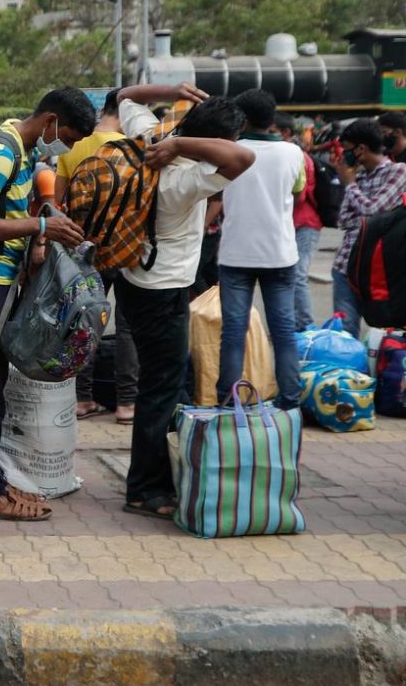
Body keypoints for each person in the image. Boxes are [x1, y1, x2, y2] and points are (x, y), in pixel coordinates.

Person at [111, 85, 253, 520]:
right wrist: (180, 144)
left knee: (163, 381)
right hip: (163, 290)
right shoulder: (185, 177)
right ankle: (146, 489)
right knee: (161, 388)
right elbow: (243, 159)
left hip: (133, 277)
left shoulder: (149, 138)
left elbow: (126, 98)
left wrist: (170, 93)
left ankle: (153, 476)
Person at [0, 88, 94, 522]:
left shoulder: (23, 150)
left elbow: (11, 211)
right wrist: (41, 224)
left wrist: (40, 221)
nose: (66, 147)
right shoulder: (1, 151)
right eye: (66, 137)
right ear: (50, 120)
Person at [217, 89, 306, 410]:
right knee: (283, 330)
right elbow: (297, 192)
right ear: (272, 118)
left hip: (235, 253)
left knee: (233, 333)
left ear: (241, 118)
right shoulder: (293, 153)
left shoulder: (228, 151)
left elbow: (215, 194)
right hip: (280, 253)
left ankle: (228, 402)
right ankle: (290, 401)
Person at [53, 90, 138, 426]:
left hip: (83, 249)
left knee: (86, 322)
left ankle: (83, 399)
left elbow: (56, 201)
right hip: (127, 250)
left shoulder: (74, 144)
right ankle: (127, 405)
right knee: (128, 328)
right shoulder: (136, 147)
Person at [332, 119, 406, 335]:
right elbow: (343, 219)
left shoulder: (398, 172)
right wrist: (372, 220)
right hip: (345, 264)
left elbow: (373, 210)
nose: (344, 156)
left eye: (346, 150)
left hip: (380, 267)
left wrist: (351, 186)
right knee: (344, 333)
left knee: (386, 331)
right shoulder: (359, 174)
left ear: (361, 149)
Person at [277, 114, 324, 330]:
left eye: (272, 131)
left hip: (305, 223)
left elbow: (300, 196)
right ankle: (295, 322)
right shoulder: (287, 154)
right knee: (290, 275)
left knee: (298, 275)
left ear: (285, 133)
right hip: (294, 223)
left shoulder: (298, 157)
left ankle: (306, 325)